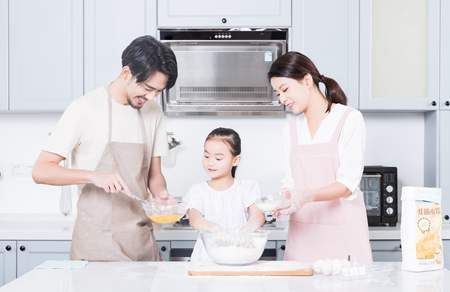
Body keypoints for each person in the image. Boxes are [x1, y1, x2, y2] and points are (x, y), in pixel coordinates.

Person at [32, 35, 178, 261]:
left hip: (140, 242)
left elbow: (155, 175)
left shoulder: (153, 112)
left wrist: (160, 195)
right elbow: (41, 171)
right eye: (148, 88)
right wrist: (94, 177)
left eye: (158, 91)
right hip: (95, 245)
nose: (151, 97)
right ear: (127, 73)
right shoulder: (84, 109)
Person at [268, 52, 372, 263]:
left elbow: (347, 184)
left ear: (307, 80)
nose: (282, 99)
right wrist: (281, 200)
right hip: (302, 238)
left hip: (343, 237)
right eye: (277, 94)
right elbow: (290, 184)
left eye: (285, 89)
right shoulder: (291, 130)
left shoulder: (349, 119)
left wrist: (305, 196)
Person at [186, 127, 265, 262]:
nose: (210, 162)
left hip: (241, 256)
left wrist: (245, 232)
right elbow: (194, 219)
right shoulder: (198, 190)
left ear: (235, 160)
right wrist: (214, 228)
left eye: (218, 158)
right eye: (206, 156)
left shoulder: (247, 187)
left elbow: (259, 215)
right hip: (206, 260)